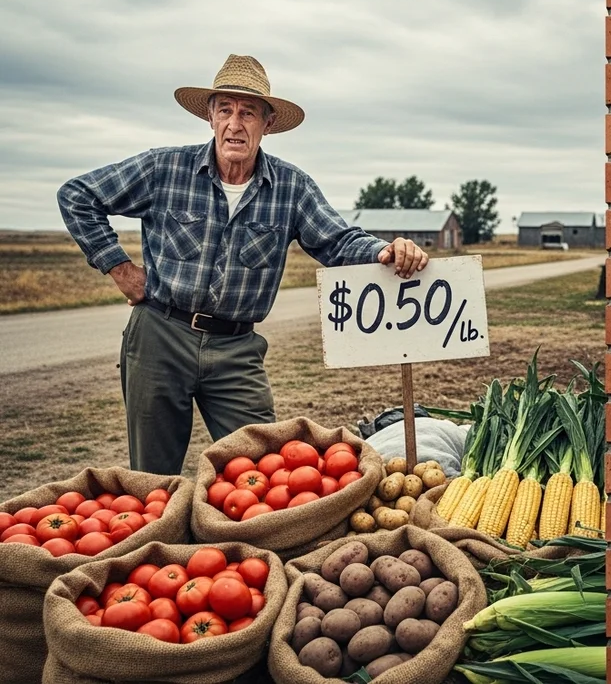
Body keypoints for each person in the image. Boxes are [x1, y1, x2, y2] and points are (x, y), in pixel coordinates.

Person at [58, 54, 430, 477]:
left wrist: (385, 250)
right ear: (210, 118)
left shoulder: (291, 187)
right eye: (225, 111)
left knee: (262, 469)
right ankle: (161, 522)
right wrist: (120, 268)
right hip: (160, 335)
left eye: (248, 113)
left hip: (236, 348)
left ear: (267, 123)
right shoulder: (164, 168)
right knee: (153, 478)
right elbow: (77, 196)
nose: (234, 124)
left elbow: (338, 241)